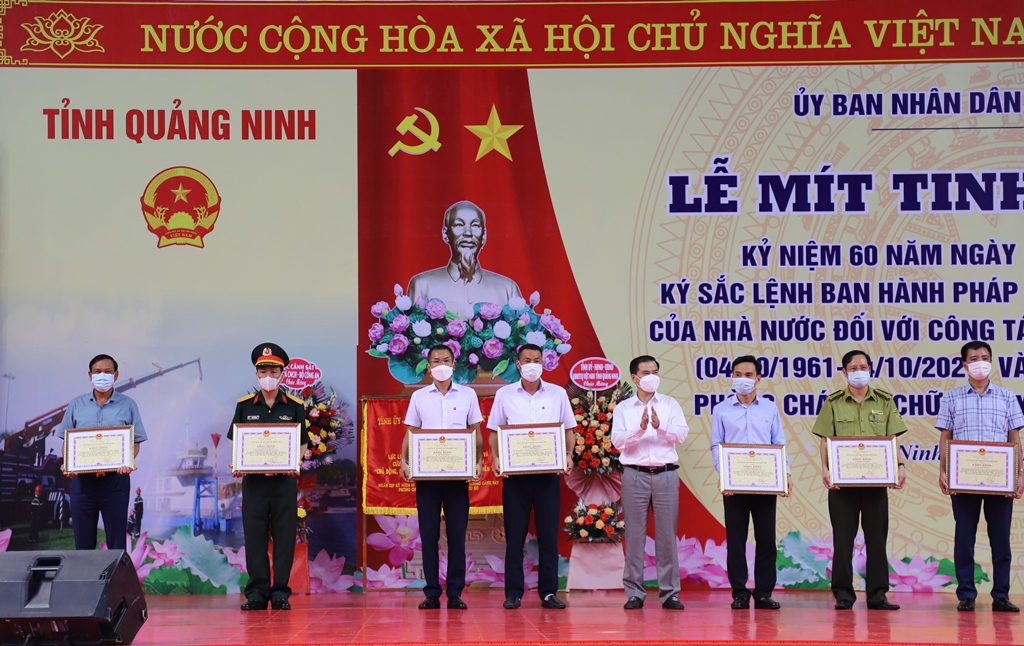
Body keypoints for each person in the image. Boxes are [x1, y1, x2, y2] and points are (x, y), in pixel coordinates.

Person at [812, 350, 906, 611]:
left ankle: (878, 595)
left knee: (877, 540)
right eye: (853, 368)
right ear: (844, 372)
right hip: (842, 486)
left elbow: (893, 439)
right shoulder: (833, 402)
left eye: (863, 367)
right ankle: (843, 594)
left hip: (876, 484)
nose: (859, 372)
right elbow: (825, 440)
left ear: (870, 369)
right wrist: (825, 469)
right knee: (843, 541)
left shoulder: (884, 401)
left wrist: (900, 465)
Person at [935, 341, 1024, 612]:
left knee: (1001, 540)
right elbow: (946, 437)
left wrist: (1019, 473)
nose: (980, 362)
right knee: (964, 538)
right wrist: (944, 470)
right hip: (963, 480)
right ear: (965, 365)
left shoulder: (1007, 397)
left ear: (991, 362)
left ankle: (1001, 595)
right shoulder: (952, 398)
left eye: (985, 357)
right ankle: (966, 594)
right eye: (974, 359)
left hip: (1000, 480)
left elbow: (1014, 438)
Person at [488, 344, 576, 610]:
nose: (532, 364)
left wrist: (568, 454)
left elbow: (568, 429)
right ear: (518, 364)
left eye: (536, 360)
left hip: (548, 475)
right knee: (514, 536)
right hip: (515, 477)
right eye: (526, 360)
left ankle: (548, 592)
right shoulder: (504, 394)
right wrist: (496, 457)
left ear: (543, 363)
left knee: (548, 535)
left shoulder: (557, 393)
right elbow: (494, 431)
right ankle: (513, 593)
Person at [400, 345, 484, 610]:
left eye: (446, 360)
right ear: (428, 367)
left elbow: (475, 431)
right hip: (427, 479)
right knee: (429, 536)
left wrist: (479, 461)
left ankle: (456, 592)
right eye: (436, 361)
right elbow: (411, 432)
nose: (441, 365)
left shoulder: (468, 395)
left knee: (457, 536)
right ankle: (432, 593)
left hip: (458, 478)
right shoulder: (419, 396)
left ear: (454, 365)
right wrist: (404, 460)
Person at [229, 343, 307, 612]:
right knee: (255, 538)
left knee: (285, 538)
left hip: (284, 482)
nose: (268, 376)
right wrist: (237, 462)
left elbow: (302, 442)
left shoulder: (295, 406)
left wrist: (296, 462)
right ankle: (257, 594)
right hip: (255, 483)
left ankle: (281, 593)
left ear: (282, 374)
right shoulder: (244, 406)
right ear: (257, 374)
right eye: (263, 371)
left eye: (274, 371)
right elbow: (238, 441)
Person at [710, 355, 789, 610]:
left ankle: (764, 593)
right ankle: (740, 593)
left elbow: (778, 443)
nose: (742, 379)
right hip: (734, 486)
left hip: (766, 485)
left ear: (758, 379)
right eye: (738, 375)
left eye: (748, 375)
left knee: (766, 540)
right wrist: (724, 474)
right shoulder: (721, 409)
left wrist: (785, 474)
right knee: (736, 541)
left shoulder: (769, 408)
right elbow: (716, 444)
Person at [611, 355, 688, 611]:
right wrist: (640, 429)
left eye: (655, 371)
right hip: (635, 474)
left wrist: (660, 426)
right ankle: (634, 592)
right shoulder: (624, 408)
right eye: (646, 373)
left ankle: (670, 593)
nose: (652, 376)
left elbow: (681, 434)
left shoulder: (669, 404)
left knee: (667, 537)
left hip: (666, 474)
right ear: (634, 378)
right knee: (634, 536)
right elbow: (617, 441)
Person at [56, 354, 147, 551]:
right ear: (90, 375)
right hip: (82, 484)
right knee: (83, 546)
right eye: (97, 372)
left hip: (115, 482)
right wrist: (68, 464)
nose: (102, 376)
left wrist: (127, 461)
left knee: (117, 545)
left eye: (107, 372)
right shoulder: (76, 405)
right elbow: (66, 442)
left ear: (116, 375)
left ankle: (115, 573)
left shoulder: (128, 405)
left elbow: (136, 441)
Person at [407, 200, 522, 316]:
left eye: (475, 225)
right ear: (445, 234)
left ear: (484, 235)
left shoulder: (507, 289)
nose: (468, 233)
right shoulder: (422, 286)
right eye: (459, 225)